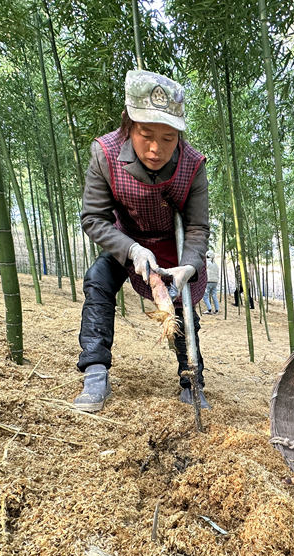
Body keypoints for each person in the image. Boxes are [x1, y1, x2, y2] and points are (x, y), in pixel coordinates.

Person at [75, 70, 210, 412]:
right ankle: (95, 373)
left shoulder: (193, 164)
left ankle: (191, 379)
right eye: (146, 135)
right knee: (98, 280)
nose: (155, 148)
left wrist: (189, 267)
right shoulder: (105, 154)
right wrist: (132, 249)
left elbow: (196, 227)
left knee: (182, 303)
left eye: (168, 138)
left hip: (172, 244)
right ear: (129, 126)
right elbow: (93, 218)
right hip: (127, 240)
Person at [202, 249, 220, 314]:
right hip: (215, 282)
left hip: (208, 281)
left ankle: (209, 309)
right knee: (214, 295)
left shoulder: (206, 263)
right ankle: (217, 310)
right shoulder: (215, 264)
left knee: (205, 296)